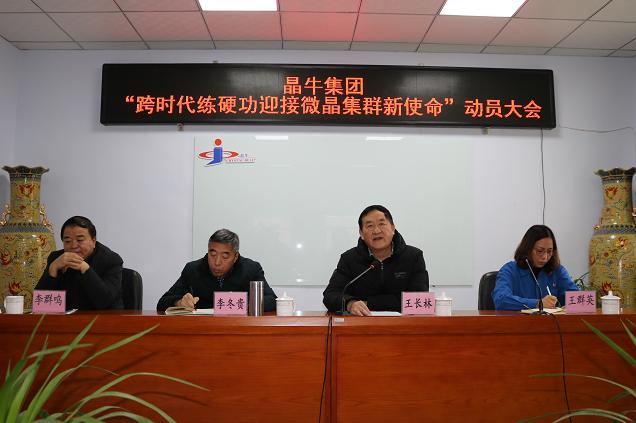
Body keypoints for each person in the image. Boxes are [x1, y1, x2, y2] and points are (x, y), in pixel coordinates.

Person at [323, 205, 429, 316]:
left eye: (382, 224)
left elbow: (420, 300)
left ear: (393, 228)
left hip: (404, 325)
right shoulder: (349, 259)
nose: (376, 231)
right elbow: (330, 295)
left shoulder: (413, 256)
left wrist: (368, 303)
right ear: (361, 233)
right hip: (361, 324)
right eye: (370, 226)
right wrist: (350, 303)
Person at [157, 228, 277, 312]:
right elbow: (162, 302)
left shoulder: (251, 269)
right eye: (213, 254)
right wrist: (179, 303)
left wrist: (242, 304)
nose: (217, 262)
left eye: (225, 256)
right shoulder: (193, 269)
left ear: (235, 256)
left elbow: (272, 300)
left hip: (239, 328)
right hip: (203, 329)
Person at [36, 216, 123, 310]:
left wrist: (85, 269)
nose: (73, 246)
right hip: (66, 318)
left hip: (103, 317)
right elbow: (41, 305)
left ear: (93, 241)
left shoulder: (110, 260)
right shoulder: (56, 259)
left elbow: (104, 302)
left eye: (80, 240)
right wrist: (53, 269)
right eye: (68, 241)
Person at [492, 224, 579, 311]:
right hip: (519, 319)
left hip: (551, 319)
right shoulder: (510, 270)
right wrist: (537, 304)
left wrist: (573, 306)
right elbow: (501, 300)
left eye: (549, 251)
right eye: (540, 251)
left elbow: (579, 299)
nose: (545, 257)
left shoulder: (557, 270)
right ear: (527, 249)